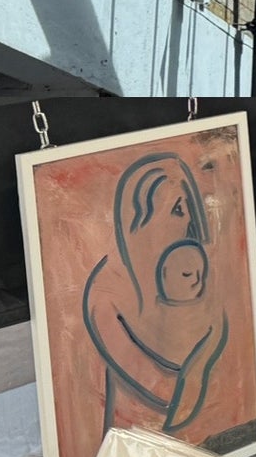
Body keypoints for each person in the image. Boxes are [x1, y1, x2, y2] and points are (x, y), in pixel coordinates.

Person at [82, 151, 231, 437]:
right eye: (177, 209)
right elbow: (157, 388)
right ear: (142, 219)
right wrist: (192, 383)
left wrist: (197, 371)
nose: (188, 221)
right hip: (138, 442)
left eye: (189, 208)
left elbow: (218, 324)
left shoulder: (191, 270)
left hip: (201, 441)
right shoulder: (107, 290)